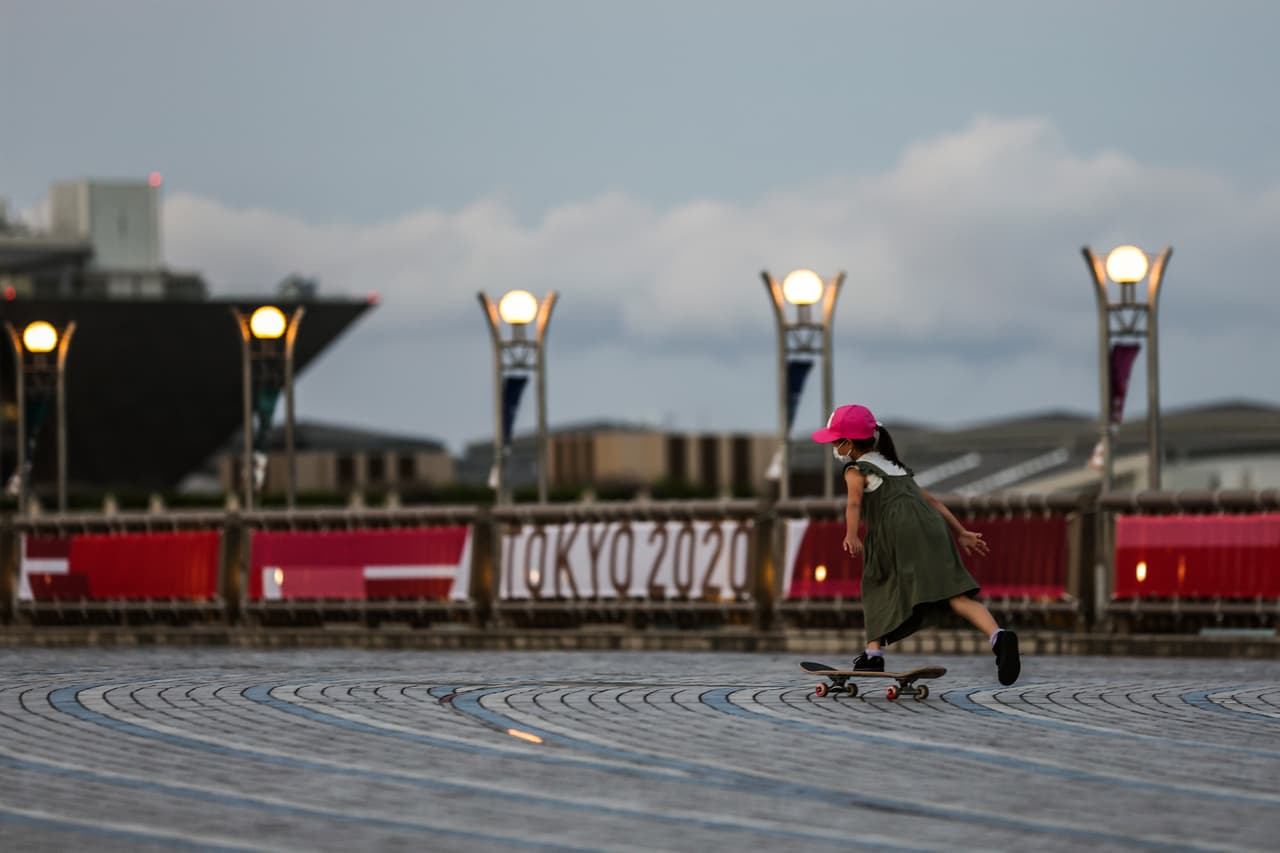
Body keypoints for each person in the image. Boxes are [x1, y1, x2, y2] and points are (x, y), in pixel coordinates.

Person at [811, 404, 1021, 686]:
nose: (834, 447)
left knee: (876, 584)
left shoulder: (855, 469)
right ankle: (998, 636)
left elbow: (853, 503)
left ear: (848, 444)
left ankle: (874, 654)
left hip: (896, 530)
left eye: (836, 442)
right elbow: (932, 502)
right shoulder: (895, 467)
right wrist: (961, 532)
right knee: (956, 595)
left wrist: (851, 534)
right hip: (933, 527)